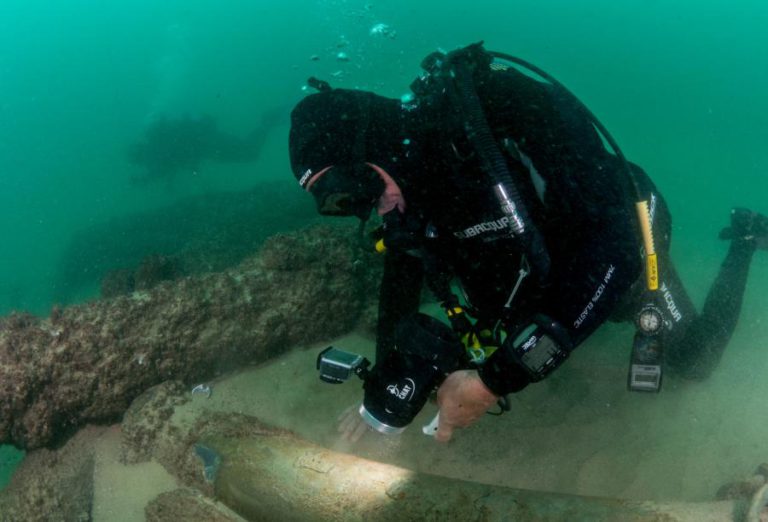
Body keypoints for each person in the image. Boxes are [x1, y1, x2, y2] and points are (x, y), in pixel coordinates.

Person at [288, 42, 767, 443]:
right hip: (547, 269)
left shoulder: (503, 109)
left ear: (368, 143)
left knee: (694, 361)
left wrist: (493, 382)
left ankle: (744, 237)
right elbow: (403, 279)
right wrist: (384, 395)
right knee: (517, 326)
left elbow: (617, 246)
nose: (370, 208)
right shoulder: (403, 189)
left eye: (351, 188)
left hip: (625, 239)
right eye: (339, 204)